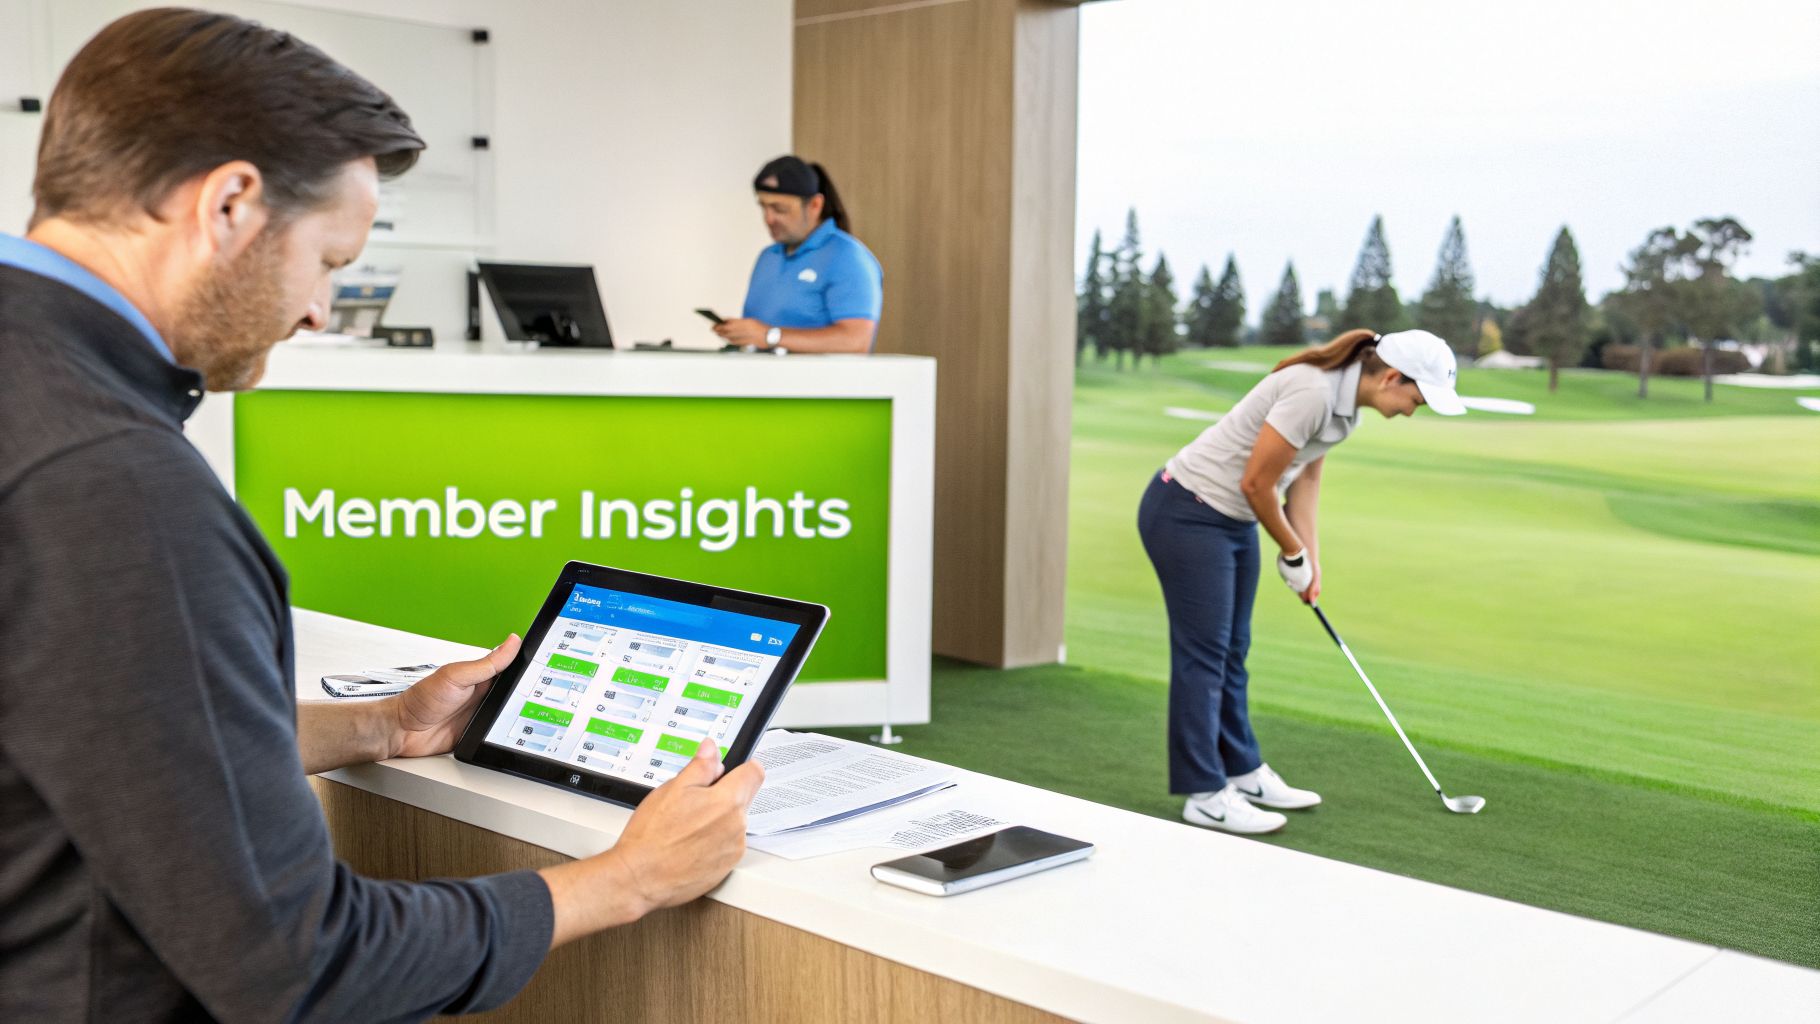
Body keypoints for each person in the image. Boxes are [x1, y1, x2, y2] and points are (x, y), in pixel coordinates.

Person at [0, 10, 763, 1021]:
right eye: (328, 260)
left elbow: (91, 732)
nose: (320, 310)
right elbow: (297, 964)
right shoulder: (119, 490)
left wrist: (380, 725)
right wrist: (628, 879)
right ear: (229, 205)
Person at [1137, 329, 1465, 835]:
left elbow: (1304, 481)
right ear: (1392, 378)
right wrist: (1290, 550)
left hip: (1232, 519)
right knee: (1204, 656)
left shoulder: (1346, 411)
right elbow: (1256, 483)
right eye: (1416, 400)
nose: (1411, 411)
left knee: (1233, 651)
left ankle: (1243, 771)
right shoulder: (1314, 391)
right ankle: (1204, 795)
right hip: (1188, 511)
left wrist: (1309, 558)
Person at [713, 155, 882, 354]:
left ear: (815, 205)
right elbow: (758, 337)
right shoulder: (768, 257)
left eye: (779, 209)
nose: (769, 219)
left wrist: (769, 336)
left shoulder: (848, 258)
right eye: (764, 207)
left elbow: (856, 342)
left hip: (817, 376)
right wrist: (742, 334)